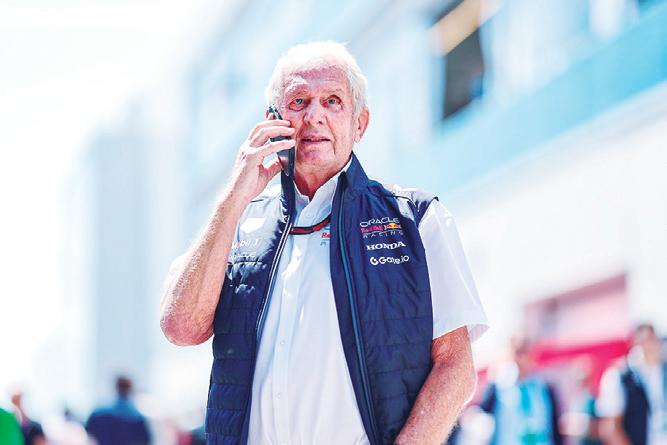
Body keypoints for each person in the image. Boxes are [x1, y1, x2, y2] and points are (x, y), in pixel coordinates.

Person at [160, 41, 488, 445]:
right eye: (298, 101)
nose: (314, 115)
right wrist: (233, 196)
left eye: (332, 101)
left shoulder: (416, 219)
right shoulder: (239, 223)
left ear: (359, 124)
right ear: (273, 121)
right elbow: (181, 327)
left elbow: (455, 366)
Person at [478, 337, 562, 445]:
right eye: (517, 353)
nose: (521, 359)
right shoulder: (497, 387)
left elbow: (555, 427)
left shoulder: (545, 388)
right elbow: (481, 419)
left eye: (525, 353)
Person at [597, 323, 666, 445]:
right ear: (635, 344)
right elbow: (611, 428)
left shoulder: (662, 371)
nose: (651, 345)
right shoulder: (619, 376)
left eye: (653, 339)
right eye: (645, 341)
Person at [85, 376, 151, 445]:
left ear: (116, 387)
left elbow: (89, 432)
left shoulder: (99, 414)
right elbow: (145, 440)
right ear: (130, 389)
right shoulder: (137, 418)